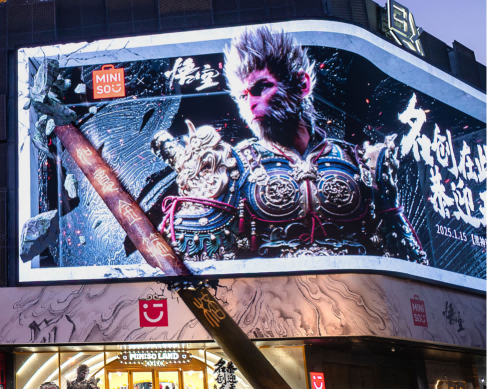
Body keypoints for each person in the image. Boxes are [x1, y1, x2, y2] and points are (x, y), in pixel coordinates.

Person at [152, 26, 426, 263]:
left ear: (301, 84)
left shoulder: (360, 161)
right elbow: (192, 253)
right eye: (242, 96)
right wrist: (197, 182)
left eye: (260, 88)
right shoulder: (234, 164)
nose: (251, 104)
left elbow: (407, 258)